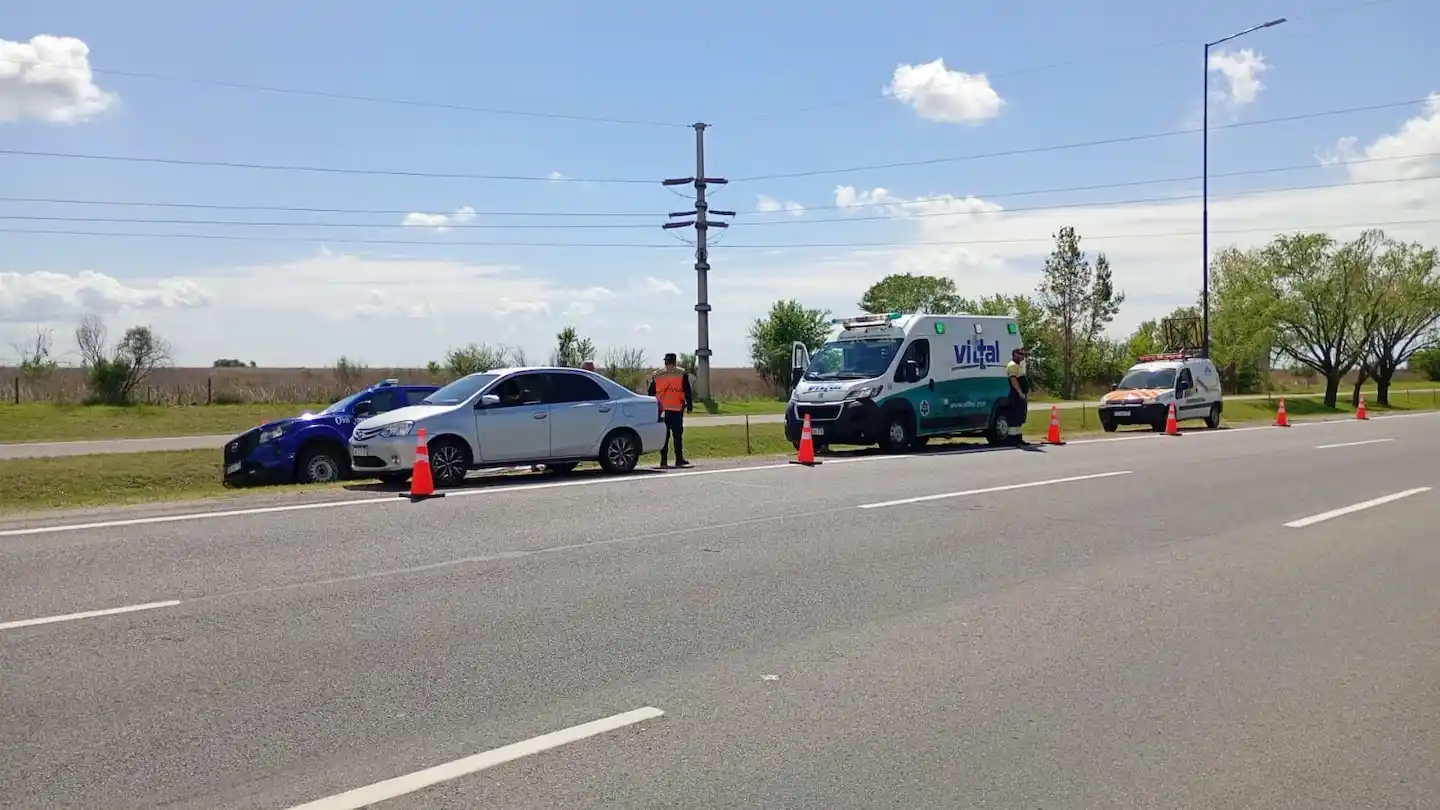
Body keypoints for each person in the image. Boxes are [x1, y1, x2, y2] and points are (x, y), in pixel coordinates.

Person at [648, 352, 694, 468]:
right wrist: (689, 405)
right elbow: (687, 390)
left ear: (665, 361)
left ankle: (663, 461)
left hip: (662, 409)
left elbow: (651, 392)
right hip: (677, 407)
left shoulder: (657, 374)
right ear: (675, 361)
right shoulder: (681, 373)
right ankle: (679, 459)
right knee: (677, 435)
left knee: (665, 435)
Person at [1005, 346, 1030, 446]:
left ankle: (1019, 438)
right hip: (1015, 395)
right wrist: (1020, 392)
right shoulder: (1012, 365)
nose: (1022, 356)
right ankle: (1012, 439)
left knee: (1019, 417)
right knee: (1014, 418)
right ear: (1015, 354)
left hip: (1020, 396)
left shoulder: (1018, 365)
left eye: (1023, 354)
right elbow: (1014, 380)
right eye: (1020, 354)